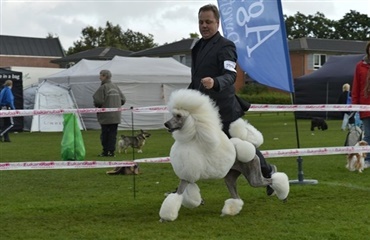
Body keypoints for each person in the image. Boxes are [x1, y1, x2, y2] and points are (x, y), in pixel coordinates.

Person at [188, 4, 276, 195]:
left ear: (217, 23)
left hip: (224, 109)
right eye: (201, 22)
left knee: (244, 148)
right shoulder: (197, 47)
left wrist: (215, 82)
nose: (204, 26)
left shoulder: (226, 46)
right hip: (202, 111)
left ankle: (267, 172)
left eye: (208, 22)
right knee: (190, 145)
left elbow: (230, 75)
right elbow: (195, 80)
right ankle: (186, 188)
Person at [93, 69, 126, 157]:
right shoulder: (115, 86)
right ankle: (111, 152)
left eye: (100, 75)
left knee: (105, 135)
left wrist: (98, 105)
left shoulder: (103, 87)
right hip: (116, 115)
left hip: (106, 116)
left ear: (105, 76)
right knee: (113, 135)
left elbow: (98, 100)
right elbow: (123, 100)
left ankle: (105, 151)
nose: (99, 77)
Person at [351, 41, 370, 166]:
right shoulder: (360, 66)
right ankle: (366, 160)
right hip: (365, 105)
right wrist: (355, 104)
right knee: (368, 135)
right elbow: (356, 86)